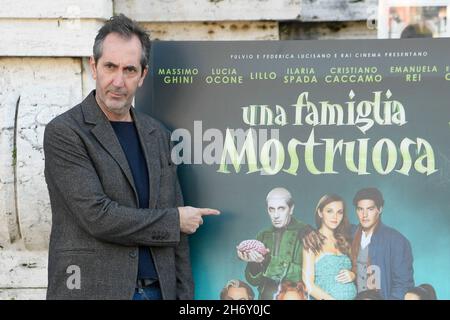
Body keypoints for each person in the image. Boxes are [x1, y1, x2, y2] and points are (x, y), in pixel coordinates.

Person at [44, 14, 220, 300]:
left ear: (143, 75)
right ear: (94, 67)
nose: (118, 81)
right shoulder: (65, 132)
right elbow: (98, 216)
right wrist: (173, 221)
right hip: (94, 292)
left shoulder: (158, 135)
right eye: (110, 67)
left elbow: (178, 240)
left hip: (157, 292)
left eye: (129, 70)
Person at [237, 187, 314, 300]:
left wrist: (268, 261)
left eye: (281, 208)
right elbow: (253, 281)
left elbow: (309, 275)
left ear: (291, 209)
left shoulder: (306, 232)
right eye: (271, 209)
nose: (275, 215)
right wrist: (255, 263)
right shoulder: (263, 234)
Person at [350, 187, 414, 300]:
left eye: (370, 209)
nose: (364, 215)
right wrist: (308, 230)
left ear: (380, 209)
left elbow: (403, 285)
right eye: (360, 209)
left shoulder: (397, 241)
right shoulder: (349, 235)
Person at [302, 194, 357, 300]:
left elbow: (358, 268)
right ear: (320, 213)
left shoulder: (344, 240)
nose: (335, 217)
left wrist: (353, 275)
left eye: (339, 212)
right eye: (329, 211)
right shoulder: (312, 240)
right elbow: (307, 284)